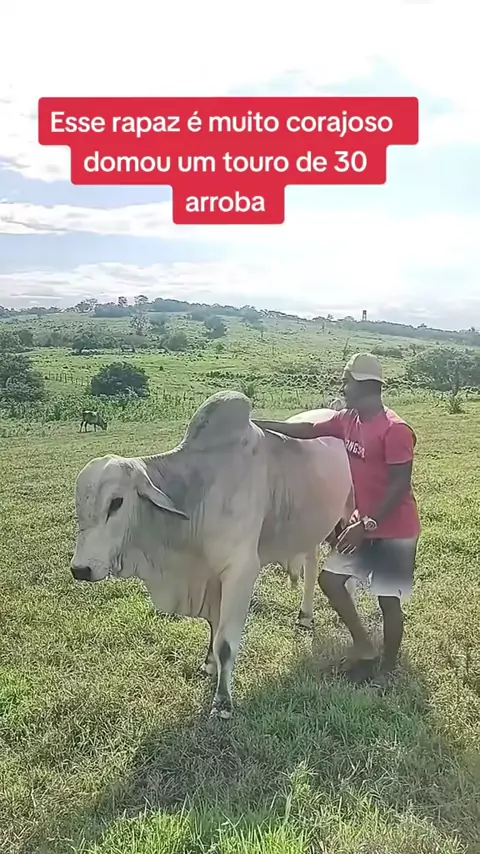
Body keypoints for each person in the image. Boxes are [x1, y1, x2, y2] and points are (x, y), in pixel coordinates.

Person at [254, 352, 421, 684]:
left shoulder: (395, 430)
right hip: (363, 525)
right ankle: (364, 646)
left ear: (364, 385)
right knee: (330, 581)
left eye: (347, 381)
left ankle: (388, 670)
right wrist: (259, 424)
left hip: (394, 530)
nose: (343, 388)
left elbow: (400, 485)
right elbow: (307, 429)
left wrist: (366, 524)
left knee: (388, 601)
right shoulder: (348, 420)